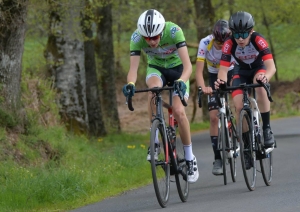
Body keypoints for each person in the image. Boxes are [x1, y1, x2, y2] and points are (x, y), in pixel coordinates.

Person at [122, 9, 199, 183]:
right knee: (153, 90)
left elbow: (188, 67)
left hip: (179, 70)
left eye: (155, 37)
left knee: (179, 111)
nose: (151, 41)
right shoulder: (136, 38)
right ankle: (155, 139)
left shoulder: (174, 31)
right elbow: (133, 70)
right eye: (147, 38)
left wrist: (182, 80)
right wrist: (131, 84)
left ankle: (189, 157)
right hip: (156, 69)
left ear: (162, 30)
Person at [215, 11, 276, 168]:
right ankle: (247, 148)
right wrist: (220, 81)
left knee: (261, 87)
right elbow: (223, 69)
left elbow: (271, 67)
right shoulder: (229, 43)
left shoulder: (258, 39)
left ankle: (267, 128)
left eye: (243, 34)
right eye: (236, 34)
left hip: (258, 68)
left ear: (251, 31)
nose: (240, 38)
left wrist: (266, 77)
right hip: (240, 72)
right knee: (239, 105)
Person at [195, 20, 234, 175]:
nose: (220, 46)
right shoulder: (205, 42)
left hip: (231, 71)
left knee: (237, 101)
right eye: (218, 43)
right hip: (212, 75)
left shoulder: (232, 42)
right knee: (213, 117)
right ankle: (217, 157)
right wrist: (203, 87)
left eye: (223, 43)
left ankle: (238, 132)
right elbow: (198, 71)